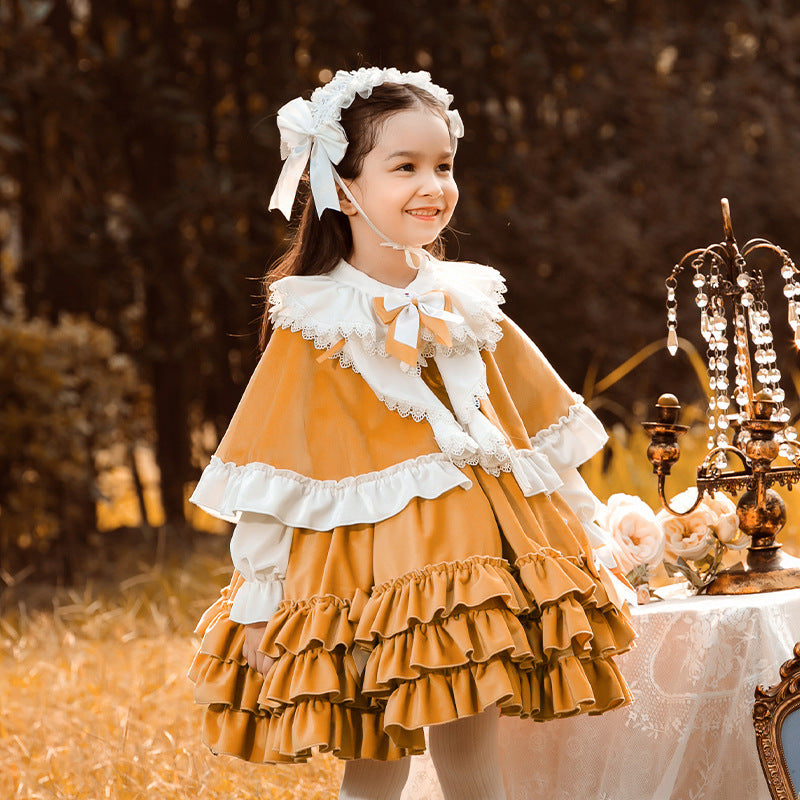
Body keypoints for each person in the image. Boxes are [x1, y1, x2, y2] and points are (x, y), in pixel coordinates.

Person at [188, 67, 635, 800]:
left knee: (472, 755)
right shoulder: (316, 322)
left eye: (443, 166)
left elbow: (537, 435)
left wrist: (591, 536)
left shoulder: (468, 303)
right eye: (405, 167)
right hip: (363, 577)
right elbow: (272, 473)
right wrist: (261, 601)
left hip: (479, 568)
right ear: (344, 187)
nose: (433, 186)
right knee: (375, 760)